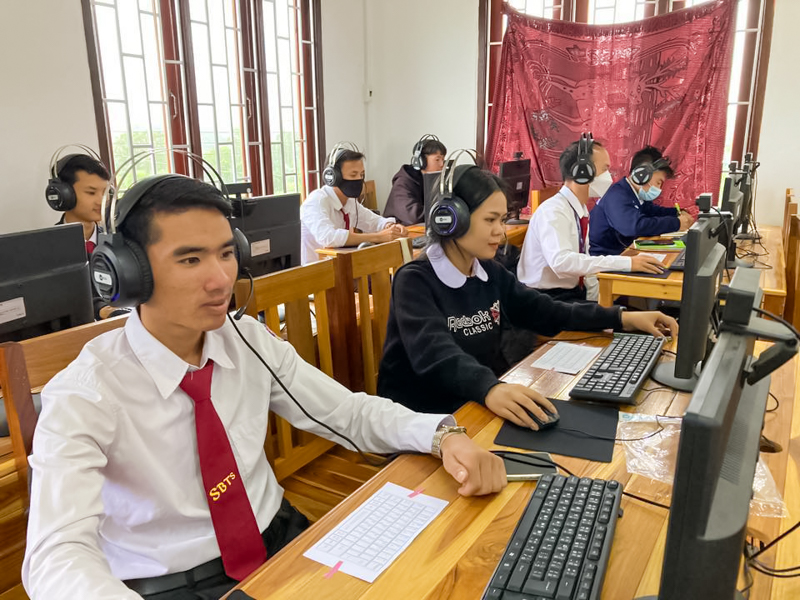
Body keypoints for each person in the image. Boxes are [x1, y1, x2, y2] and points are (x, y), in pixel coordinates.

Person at [22, 175, 505, 599]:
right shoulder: (85, 393)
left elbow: (348, 413)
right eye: (189, 259)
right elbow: (56, 555)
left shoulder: (247, 341)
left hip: (280, 539)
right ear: (128, 274)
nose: (220, 280)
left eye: (226, 253)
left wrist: (442, 436)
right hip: (171, 583)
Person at [377, 164, 678, 425]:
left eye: (502, 220)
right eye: (490, 220)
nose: (500, 232)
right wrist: (490, 388)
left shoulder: (488, 272)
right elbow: (436, 355)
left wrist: (622, 318)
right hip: (426, 420)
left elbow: (546, 310)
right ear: (452, 218)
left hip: (477, 402)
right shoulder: (414, 281)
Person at [518, 138, 667, 302]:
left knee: (630, 310)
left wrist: (601, 301)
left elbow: (585, 266)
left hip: (572, 293)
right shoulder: (554, 211)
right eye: (605, 169)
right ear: (582, 172)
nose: (609, 177)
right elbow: (562, 262)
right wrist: (627, 263)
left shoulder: (580, 210)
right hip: (545, 298)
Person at [46, 150, 125, 319]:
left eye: (105, 193)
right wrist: (101, 310)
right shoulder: (46, 247)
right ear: (64, 194)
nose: (101, 201)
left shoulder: (117, 241)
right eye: (91, 192)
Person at [300, 146, 407, 264]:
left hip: (342, 266)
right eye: (353, 175)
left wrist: (390, 226)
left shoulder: (349, 201)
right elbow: (328, 237)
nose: (359, 180)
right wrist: (378, 237)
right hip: (315, 271)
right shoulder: (316, 201)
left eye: (362, 175)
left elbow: (373, 221)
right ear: (333, 177)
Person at [588, 146, 693, 256]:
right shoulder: (617, 195)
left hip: (623, 255)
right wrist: (676, 223)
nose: (659, 189)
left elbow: (652, 211)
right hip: (606, 259)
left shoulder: (634, 194)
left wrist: (677, 213)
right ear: (641, 175)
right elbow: (633, 227)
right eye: (658, 183)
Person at [383, 135, 447, 225]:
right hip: (399, 229)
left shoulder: (430, 178)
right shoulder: (403, 182)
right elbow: (413, 217)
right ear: (421, 161)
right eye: (437, 160)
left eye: (443, 160)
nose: (442, 164)